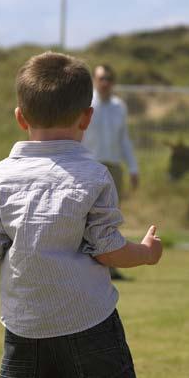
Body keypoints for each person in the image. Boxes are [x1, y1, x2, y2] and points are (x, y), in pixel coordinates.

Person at [0, 51, 172, 378]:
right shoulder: (94, 175)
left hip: (27, 327)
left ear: (21, 117)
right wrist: (146, 253)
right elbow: (109, 251)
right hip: (89, 324)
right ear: (86, 117)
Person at [82, 64, 139, 280]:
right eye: (101, 78)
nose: (105, 83)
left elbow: (124, 139)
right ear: (95, 81)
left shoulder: (119, 107)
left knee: (110, 218)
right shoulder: (86, 104)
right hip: (89, 165)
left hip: (113, 168)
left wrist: (133, 167)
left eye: (109, 78)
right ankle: (85, 265)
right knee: (86, 217)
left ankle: (110, 266)